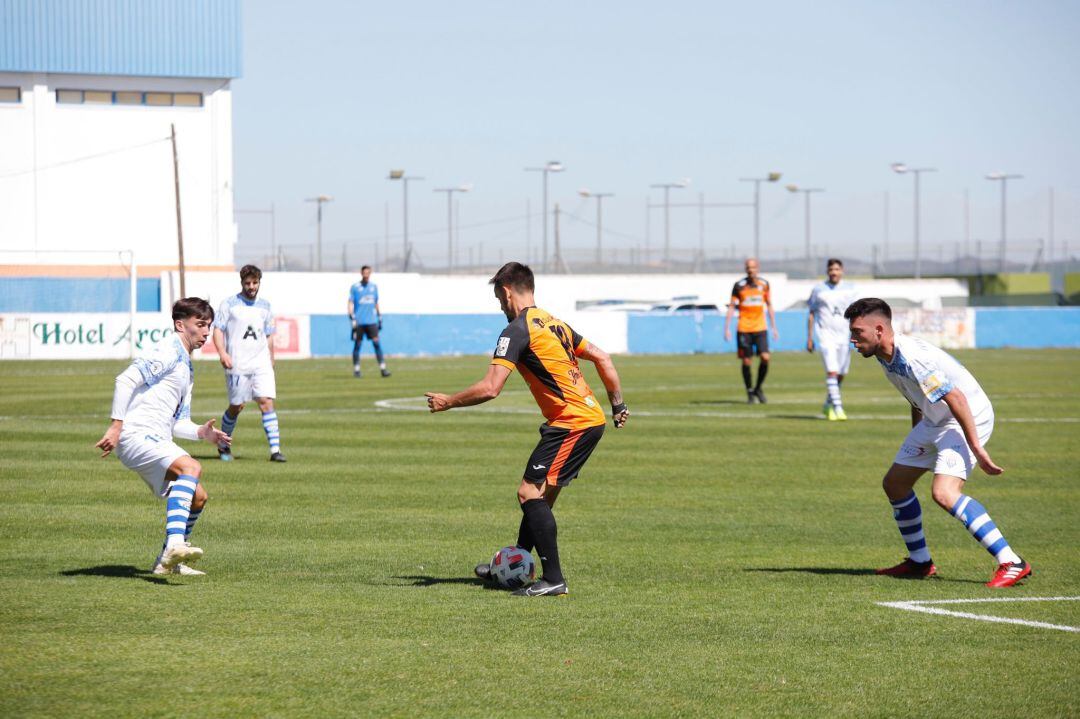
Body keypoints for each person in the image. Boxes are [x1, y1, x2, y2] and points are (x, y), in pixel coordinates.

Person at [425, 262, 629, 597]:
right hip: (585, 419)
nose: (500, 307)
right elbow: (603, 358)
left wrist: (449, 401)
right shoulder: (552, 323)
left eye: (499, 299)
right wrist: (618, 405)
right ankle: (513, 564)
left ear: (507, 292)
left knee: (528, 493)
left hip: (572, 422)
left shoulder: (517, 330)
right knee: (542, 497)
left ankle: (553, 579)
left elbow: (491, 387)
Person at [845, 298, 1031, 588]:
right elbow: (916, 396)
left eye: (858, 332)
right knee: (895, 483)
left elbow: (956, 397)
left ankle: (1011, 561)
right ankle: (920, 562)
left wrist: (977, 448)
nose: (853, 340)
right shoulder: (884, 355)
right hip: (936, 419)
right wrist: (916, 437)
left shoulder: (912, 358)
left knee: (944, 493)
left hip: (966, 416)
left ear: (879, 330)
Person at [95, 298, 231, 576]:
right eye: (200, 325)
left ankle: (167, 562)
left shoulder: (187, 366)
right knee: (191, 467)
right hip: (136, 434)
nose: (206, 332)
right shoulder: (168, 349)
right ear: (181, 325)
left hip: (156, 437)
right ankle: (175, 545)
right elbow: (125, 380)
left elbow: (177, 422)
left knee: (198, 497)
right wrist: (115, 426)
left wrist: (202, 433)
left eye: (209, 326)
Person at [212, 265, 285, 462]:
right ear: (242, 283)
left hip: (261, 363)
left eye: (255, 283)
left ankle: (275, 451)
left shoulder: (265, 306)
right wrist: (222, 353)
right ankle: (223, 445)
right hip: (237, 363)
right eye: (247, 283)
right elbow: (218, 330)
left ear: (260, 282)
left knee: (266, 402)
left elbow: (268, 335)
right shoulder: (229, 304)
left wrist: (271, 358)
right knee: (237, 406)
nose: (251, 286)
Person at [806, 258, 859, 421]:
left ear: (841, 271)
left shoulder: (851, 290)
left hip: (844, 336)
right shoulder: (818, 290)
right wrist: (809, 337)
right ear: (827, 271)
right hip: (825, 335)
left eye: (837, 269)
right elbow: (811, 313)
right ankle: (838, 407)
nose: (834, 272)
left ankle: (828, 404)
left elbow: (856, 314)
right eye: (831, 269)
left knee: (841, 374)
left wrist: (856, 334)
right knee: (832, 371)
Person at [724, 258, 779, 403]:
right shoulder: (739, 286)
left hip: (760, 327)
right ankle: (749, 391)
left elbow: (769, 305)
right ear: (745, 269)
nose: (751, 270)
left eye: (753, 267)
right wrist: (727, 328)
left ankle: (758, 388)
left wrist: (774, 327)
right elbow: (731, 306)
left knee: (765, 357)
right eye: (748, 267)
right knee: (746, 361)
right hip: (744, 328)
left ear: (758, 268)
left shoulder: (764, 284)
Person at [348, 265, 390, 378]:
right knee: (358, 345)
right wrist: (351, 316)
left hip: (371, 321)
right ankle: (356, 370)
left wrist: (379, 316)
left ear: (370, 273)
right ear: (361, 273)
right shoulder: (355, 287)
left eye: (368, 273)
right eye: (364, 273)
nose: (366, 275)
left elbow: (376, 302)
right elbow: (350, 302)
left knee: (377, 343)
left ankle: (383, 369)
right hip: (360, 322)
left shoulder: (373, 287)